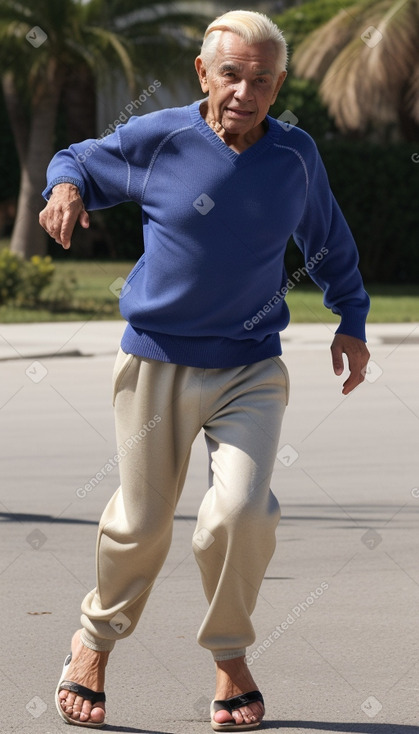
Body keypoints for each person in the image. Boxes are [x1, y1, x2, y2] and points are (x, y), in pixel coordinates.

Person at [39, 9, 370, 730]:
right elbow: (76, 158)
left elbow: (329, 239)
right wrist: (63, 191)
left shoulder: (293, 154)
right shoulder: (160, 139)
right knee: (142, 523)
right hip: (155, 362)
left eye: (260, 80)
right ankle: (91, 644)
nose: (243, 93)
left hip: (249, 365)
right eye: (230, 75)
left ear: (277, 85)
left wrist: (350, 319)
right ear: (202, 73)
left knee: (241, 513)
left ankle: (228, 657)